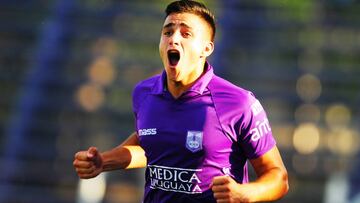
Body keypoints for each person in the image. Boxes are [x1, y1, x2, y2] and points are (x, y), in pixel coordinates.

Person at [73, 1, 289, 202]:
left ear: (207, 49)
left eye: (186, 33)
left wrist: (244, 193)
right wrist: (103, 162)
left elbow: (278, 177)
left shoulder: (239, 103)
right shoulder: (144, 93)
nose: (174, 39)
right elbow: (151, 143)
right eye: (168, 32)